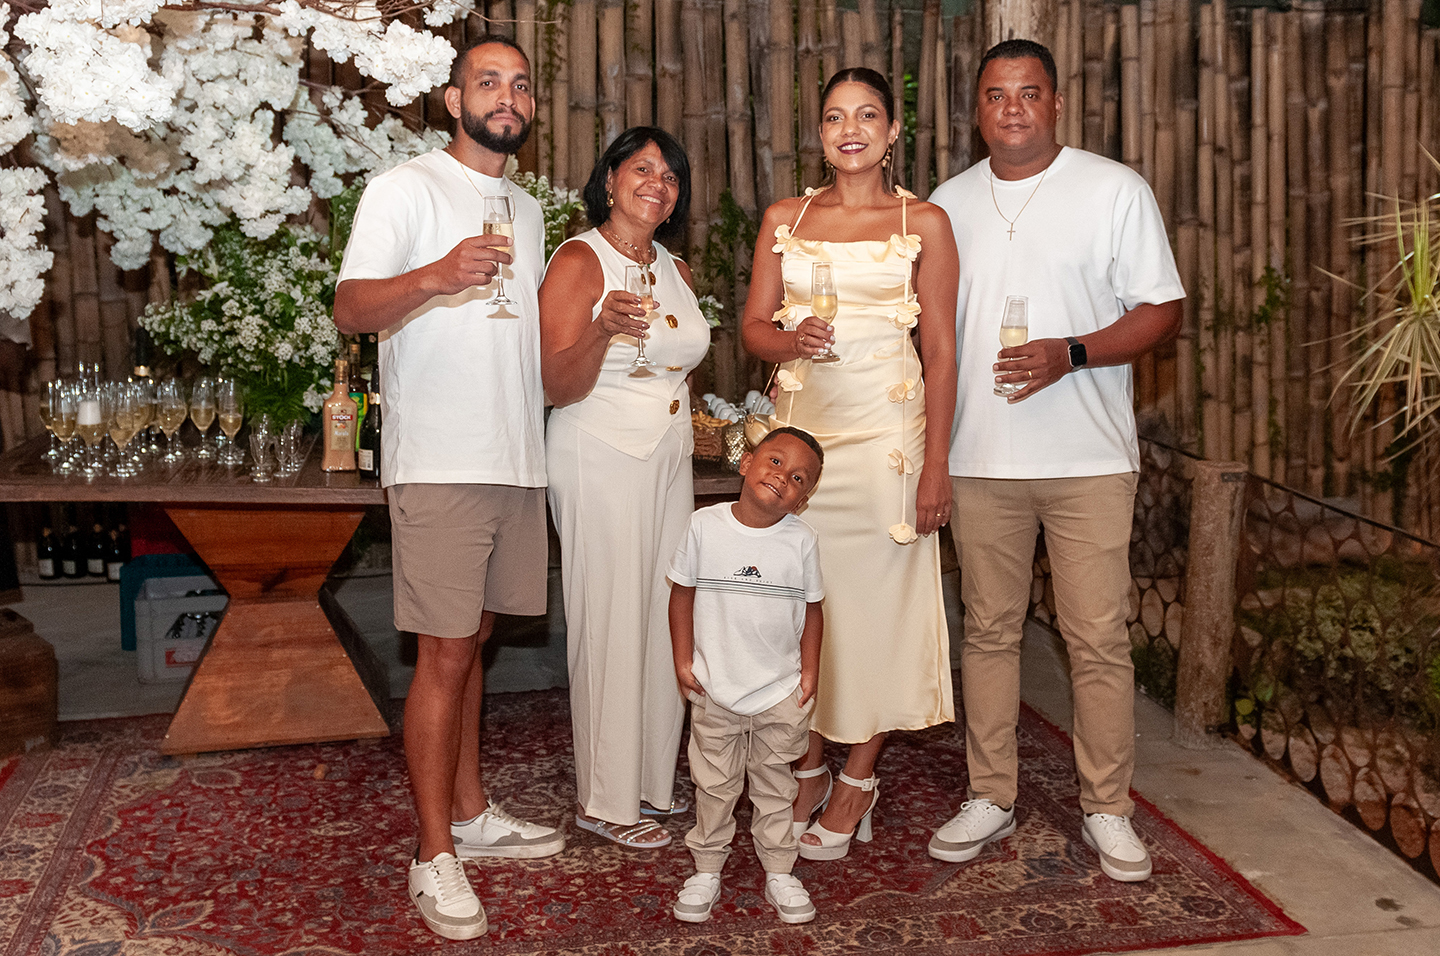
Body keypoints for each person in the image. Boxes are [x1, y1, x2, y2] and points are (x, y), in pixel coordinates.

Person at [927, 38, 1184, 883]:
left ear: (1058, 103)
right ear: (977, 111)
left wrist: (1071, 352)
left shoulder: (1113, 190)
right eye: (996, 95)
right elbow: (927, 335)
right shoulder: (946, 204)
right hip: (978, 456)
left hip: (1087, 458)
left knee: (1097, 637)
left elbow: (1162, 311)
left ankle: (1107, 807)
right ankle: (989, 796)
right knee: (987, 632)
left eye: (1028, 92)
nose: (1012, 108)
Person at [333, 35, 564, 941]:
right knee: (442, 652)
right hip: (440, 458)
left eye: (520, 85)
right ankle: (433, 853)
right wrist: (436, 275)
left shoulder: (527, 210)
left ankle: (470, 813)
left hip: (515, 457)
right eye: (487, 82)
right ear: (452, 98)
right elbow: (351, 307)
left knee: (475, 642)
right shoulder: (406, 189)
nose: (507, 97)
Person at [740, 68, 958, 861]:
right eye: (835, 117)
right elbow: (753, 328)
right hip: (804, 439)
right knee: (803, 608)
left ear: (892, 131)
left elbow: (942, 351)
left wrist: (936, 467)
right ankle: (807, 764)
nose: (851, 130)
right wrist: (787, 340)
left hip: (888, 444)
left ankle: (859, 776)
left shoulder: (925, 222)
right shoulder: (785, 218)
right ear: (821, 133)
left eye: (867, 115)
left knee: (876, 608)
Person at [539, 126, 710, 849]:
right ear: (609, 179)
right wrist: (601, 331)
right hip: (598, 451)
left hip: (668, 458)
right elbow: (555, 383)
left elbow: (678, 366)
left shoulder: (677, 269)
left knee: (664, 614)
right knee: (608, 619)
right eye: (642, 169)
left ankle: (648, 781)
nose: (657, 185)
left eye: (670, 176)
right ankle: (604, 801)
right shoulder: (580, 260)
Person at [668, 426, 826, 925]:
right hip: (715, 687)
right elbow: (681, 594)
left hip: (780, 691)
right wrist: (682, 659)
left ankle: (780, 869)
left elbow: (814, 610)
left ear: (803, 499)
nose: (783, 477)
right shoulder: (703, 526)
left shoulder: (802, 540)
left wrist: (809, 672)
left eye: (798, 478)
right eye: (776, 461)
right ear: (745, 462)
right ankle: (706, 868)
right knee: (714, 785)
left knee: (776, 786)